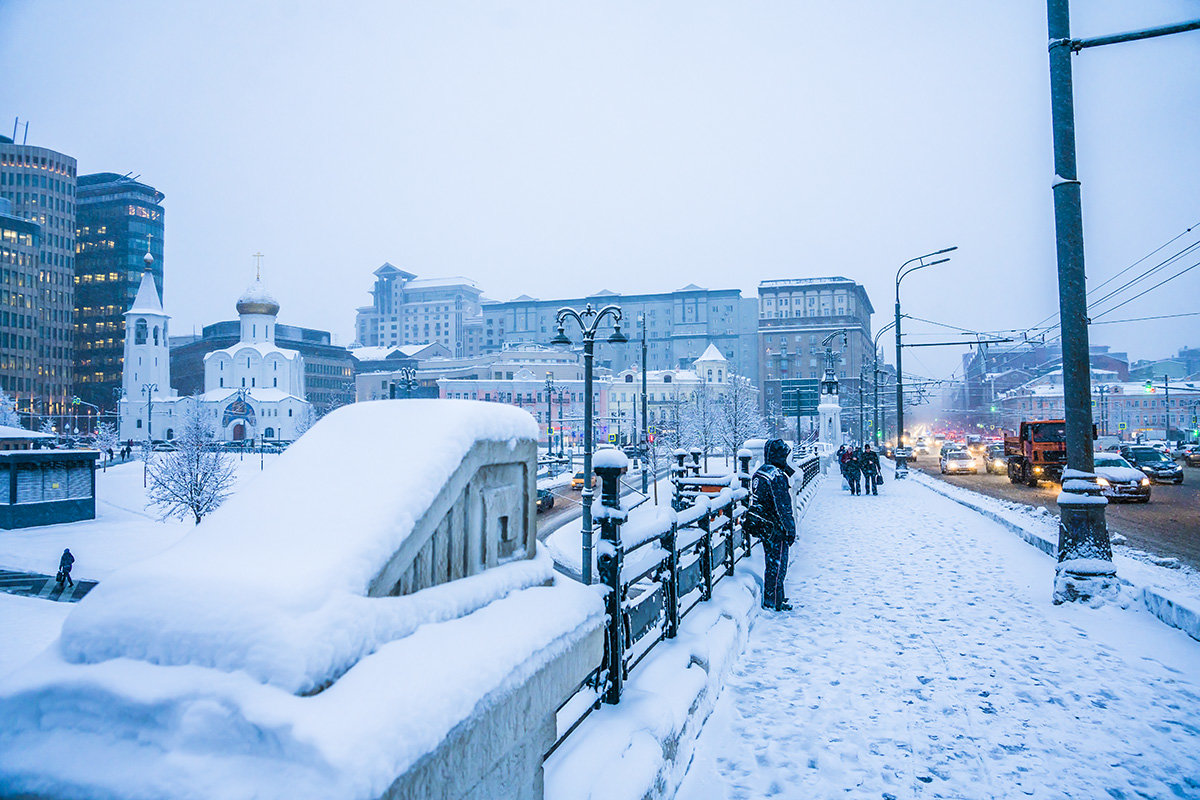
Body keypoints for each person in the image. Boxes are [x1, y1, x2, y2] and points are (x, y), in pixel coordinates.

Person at [750, 438, 796, 611]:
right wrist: (790, 529)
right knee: (778, 565)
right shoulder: (776, 476)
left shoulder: (761, 472)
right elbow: (783, 507)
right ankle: (774, 600)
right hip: (776, 528)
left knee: (771, 563)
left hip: (764, 526)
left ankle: (776, 596)